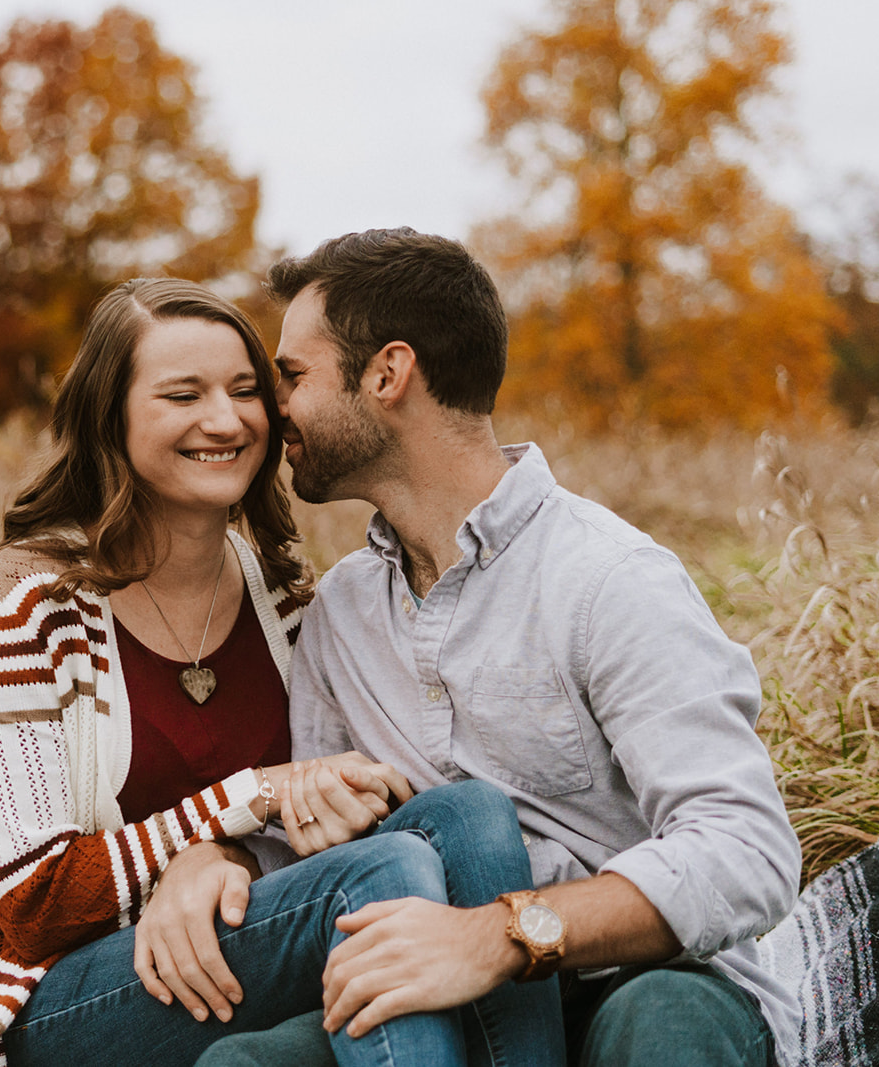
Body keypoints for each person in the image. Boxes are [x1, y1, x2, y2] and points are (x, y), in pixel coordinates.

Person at [180, 229, 803, 1067]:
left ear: (387, 374)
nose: (272, 407)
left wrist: (505, 935)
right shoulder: (340, 614)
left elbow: (747, 852)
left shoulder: (607, 578)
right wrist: (211, 856)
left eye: (292, 376)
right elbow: (313, 849)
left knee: (659, 1026)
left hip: (635, 976)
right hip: (438, 991)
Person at [0, 277, 560, 1067]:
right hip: (55, 1001)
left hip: (231, 942)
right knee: (386, 872)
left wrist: (222, 855)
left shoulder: (282, 597)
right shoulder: (27, 604)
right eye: (182, 395)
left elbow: (315, 819)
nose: (224, 420)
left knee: (467, 815)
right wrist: (239, 804)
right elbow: (34, 904)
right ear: (111, 417)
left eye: (244, 390)